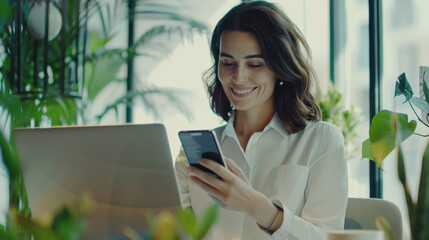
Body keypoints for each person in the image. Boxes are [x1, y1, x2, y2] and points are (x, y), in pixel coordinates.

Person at [175, 1, 348, 239]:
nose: (239, 77)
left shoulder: (320, 140)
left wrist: (257, 206)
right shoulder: (192, 154)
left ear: (280, 67)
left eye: (255, 64)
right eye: (228, 63)